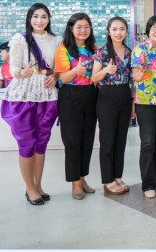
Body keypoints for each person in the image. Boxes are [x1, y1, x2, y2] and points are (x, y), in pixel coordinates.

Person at [0, 3, 61, 205]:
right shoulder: (20, 39)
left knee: (41, 141)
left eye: (44, 16)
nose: (39, 20)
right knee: (27, 142)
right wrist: (21, 73)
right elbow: (14, 66)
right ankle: (29, 188)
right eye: (35, 16)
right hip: (24, 94)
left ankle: (38, 185)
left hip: (47, 93)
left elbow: (59, 66)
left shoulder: (56, 40)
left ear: (49, 18)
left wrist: (55, 75)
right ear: (29, 18)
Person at [55, 12, 99, 200]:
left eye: (86, 27)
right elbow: (63, 78)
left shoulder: (94, 48)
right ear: (71, 29)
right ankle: (75, 184)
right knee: (72, 141)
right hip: (70, 96)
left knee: (87, 140)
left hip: (91, 95)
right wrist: (76, 70)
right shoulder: (63, 49)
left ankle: (82, 178)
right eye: (79, 27)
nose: (83, 30)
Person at [91, 17, 133, 196]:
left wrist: (132, 104)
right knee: (107, 140)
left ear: (126, 31)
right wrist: (106, 71)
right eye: (114, 29)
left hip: (124, 95)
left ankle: (117, 175)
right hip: (107, 95)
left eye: (122, 29)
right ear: (108, 31)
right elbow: (94, 78)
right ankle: (107, 179)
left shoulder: (130, 51)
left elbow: (132, 81)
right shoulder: (102, 52)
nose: (118, 33)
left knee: (121, 139)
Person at [131, 16, 156, 199]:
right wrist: (137, 76)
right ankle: (147, 183)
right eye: (154, 28)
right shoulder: (140, 49)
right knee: (147, 143)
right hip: (145, 102)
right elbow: (136, 75)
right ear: (148, 30)